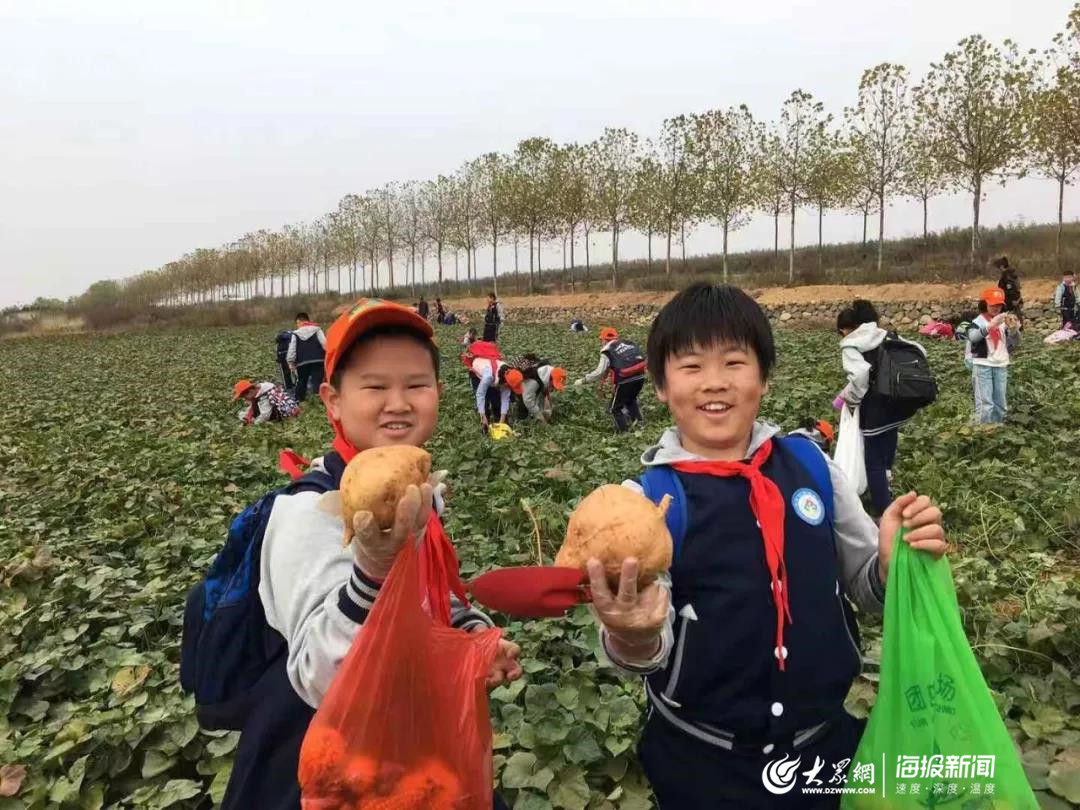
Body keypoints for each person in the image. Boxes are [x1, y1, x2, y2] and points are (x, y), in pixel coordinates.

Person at [584, 282, 947, 810]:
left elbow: (866, 589)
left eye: (735, 362)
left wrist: (890, 568)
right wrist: (630, 632)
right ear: (661, 385)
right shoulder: (648, 502)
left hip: (825, 751)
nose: (715, 383)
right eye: (690, 367)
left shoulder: (810, 466)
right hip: (702, 760)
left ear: (764, 378)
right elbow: (647, 647)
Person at [213, 299, 522, 809]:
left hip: (412, 746)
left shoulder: (414, 485)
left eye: (416, 385)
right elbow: (321, 678)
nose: (398, 402)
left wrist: (472, 637)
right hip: (326, 760)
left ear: (439, 394)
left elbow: (426, 597)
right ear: (333, 400)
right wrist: (372, 570)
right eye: (375, 386)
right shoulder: (307, 512)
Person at [835, 299, 929, 516]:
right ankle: (887, 486)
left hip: (876, 407)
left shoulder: (852, 344)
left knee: (874, 461)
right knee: (887, 446)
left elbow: (860, 376)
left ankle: (885, 511)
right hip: (897, 403)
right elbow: (920, 349)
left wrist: (851, 401)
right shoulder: (886, 335)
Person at [574, 326, 646, 433]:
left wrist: (584, 380)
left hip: (625, 380)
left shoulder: (607, 351)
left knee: (614, 409)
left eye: (601, 339)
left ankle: (624, 433)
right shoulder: (627, 343)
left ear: (604, 340)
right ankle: (640, 424)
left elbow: (600, 371)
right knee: (630, 400)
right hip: (640, 376)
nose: (601, 342)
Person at [967, 287, 1019, 425]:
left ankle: (999, 429)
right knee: (986, 403)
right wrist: (990, 325)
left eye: (999, 305)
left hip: (1000, 364)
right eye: (993, 305)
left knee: (1000, 402)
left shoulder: (1004, 321)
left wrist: (1014, 330)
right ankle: (984, 431)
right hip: (983, 364)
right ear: (985, 304)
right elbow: (973, 337)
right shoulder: (978, 321)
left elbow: (1015, 343)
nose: (996, 308)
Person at [505, 356, 568, 423]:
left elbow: (542, 395)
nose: (553, 388)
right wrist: (539, 416)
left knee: (534, 405)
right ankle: (520, 423)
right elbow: (528, 401)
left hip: (530, 386)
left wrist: (543, 411)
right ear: (550, 379)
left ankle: (532, 418)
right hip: (515, 382)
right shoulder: (534, 382)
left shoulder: (547, 373)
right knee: (523, 404)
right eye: (553, 385)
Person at [287, 312, 327, 402]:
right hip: (318, 360)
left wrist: (291, 362)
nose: (297, 326)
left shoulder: (295, 334)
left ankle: (299, 401)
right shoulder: (317, 329)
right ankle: (320, 401)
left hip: (302, 362)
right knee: (317, 381)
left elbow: (292, 350)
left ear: (300, 321)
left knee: (302, 381)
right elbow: (325, 344)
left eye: (297, 323)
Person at [233, 379, 299, 425]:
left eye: (245, 397)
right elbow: (252, 407)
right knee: (243, 414)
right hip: (270, 411)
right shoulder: (258, 390)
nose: (245, 399)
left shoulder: (265, 396)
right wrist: (247, 417)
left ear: (250, 391)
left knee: (257, 417)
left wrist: (254, 424)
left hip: (282, 415)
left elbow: (265, 415)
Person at [994, 256, 1023, 323]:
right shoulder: (1013, 275)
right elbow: (1017, 288)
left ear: (1001, 266)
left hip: (1008, 303)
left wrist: (1013, 300)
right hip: (1014, 302)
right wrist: (1019, 300)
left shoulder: (1006, 276)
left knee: (1009, 323)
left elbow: (1010, 289)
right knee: (1017, 321)